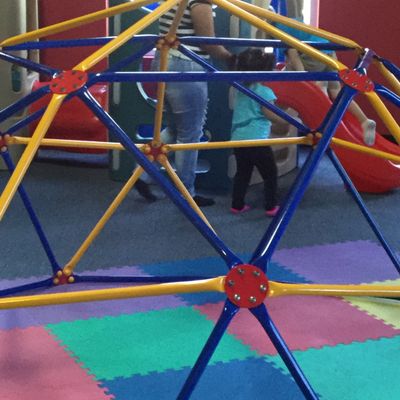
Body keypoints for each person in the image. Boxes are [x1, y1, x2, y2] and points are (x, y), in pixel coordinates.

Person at [150, 0, 232, 207]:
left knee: (174, 128)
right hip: (185, 65)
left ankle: (142, 173)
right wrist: (230, 58)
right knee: (190, 134)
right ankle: (186, 193)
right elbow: (206, 40)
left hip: (164, 60)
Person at [274, 12, 376, 146]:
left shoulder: (278, 30)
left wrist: (304, 80)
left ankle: (276, 111)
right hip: (328, 51)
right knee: (336, 92)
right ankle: (364, 121)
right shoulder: (290, 21)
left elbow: (294, 57)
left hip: (314, 54)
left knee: (288, 78)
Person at [229, 48, 287, 217]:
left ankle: (237, 205)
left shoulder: (240, 89)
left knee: (243, 173)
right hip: (257, 141)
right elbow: (269, 114)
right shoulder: (265, 92)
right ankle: (271, 206)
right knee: (270, 174)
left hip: (238, 139)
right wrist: (285, 120)